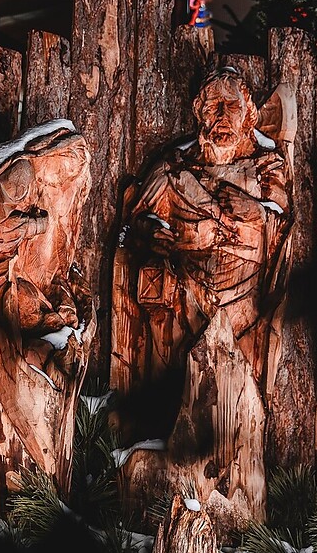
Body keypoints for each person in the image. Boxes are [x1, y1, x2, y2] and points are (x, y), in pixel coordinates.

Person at [122, 66, 291, 384]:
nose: (223, 116)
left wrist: (254, 211)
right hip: (188, 294)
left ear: (247, 114)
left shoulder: (266, 167)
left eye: (232, 106)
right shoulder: (174, 170)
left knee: (239, 386)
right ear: (200, 113)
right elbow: (135, 221)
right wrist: (152, 232)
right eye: (214, 106)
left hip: (246, 300)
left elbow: (284, 231)